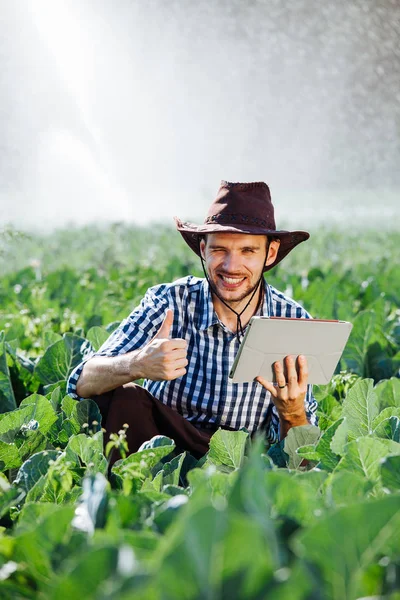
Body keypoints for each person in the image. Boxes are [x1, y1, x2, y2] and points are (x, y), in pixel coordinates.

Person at [67, 181, 317, 461]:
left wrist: (292, 411)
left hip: (239, 460)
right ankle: (130, 492)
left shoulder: (291, 321)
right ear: (202, 250)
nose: (231, 266)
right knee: (126, 396)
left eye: (248, 251)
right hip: (161, 447)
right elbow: (82, 382)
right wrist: (137, 364)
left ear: (270, 254)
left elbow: (303, 460)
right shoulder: (169, 301)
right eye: (220, 249)